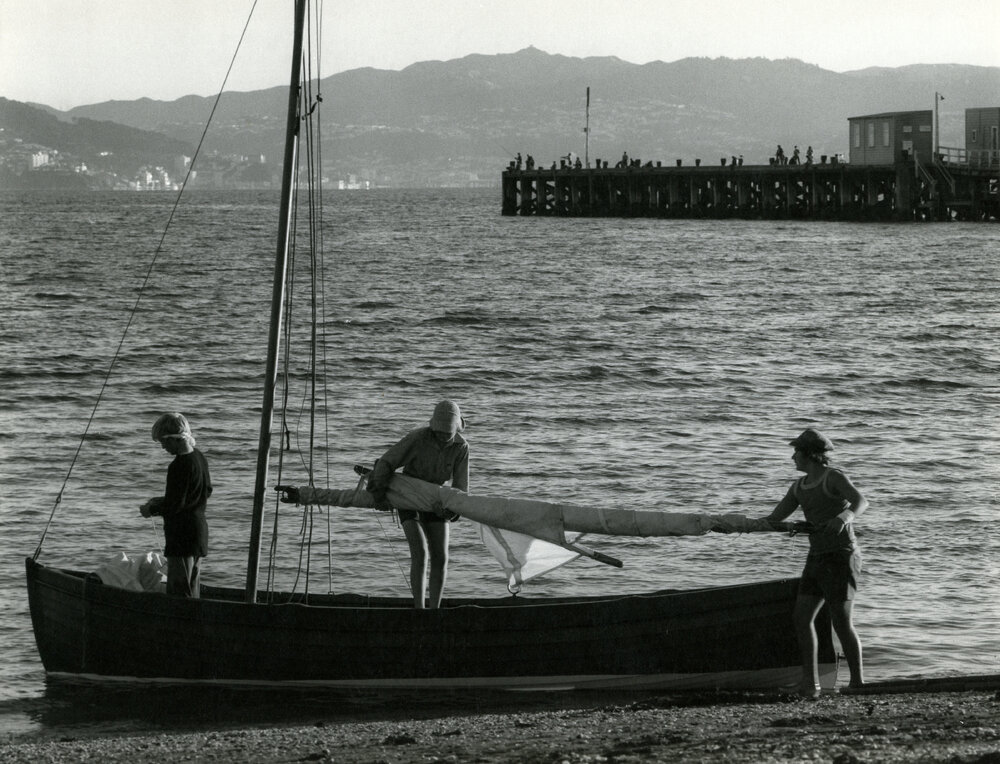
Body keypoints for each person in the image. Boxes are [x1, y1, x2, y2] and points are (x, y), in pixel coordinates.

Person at [766, 427, 868, 698]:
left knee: (841, 622)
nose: (792, 458)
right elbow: (775, 518)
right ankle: (810, 685)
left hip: (842, 556)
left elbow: (860, 501)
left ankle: (858, 683)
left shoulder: (832, 477)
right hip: (817, 558)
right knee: (802, 618)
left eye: (796, 452)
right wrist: (737, 525)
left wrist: (842, 519)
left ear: (810, 454)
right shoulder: (798, 487)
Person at [368, 400, 469, 609]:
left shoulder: (461, 448)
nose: (443, 437)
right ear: (432, 427)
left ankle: (435, 609)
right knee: (420, 551)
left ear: (456, 428)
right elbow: (386, 462)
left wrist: (451, 512)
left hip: (437, 498)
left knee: (441, 557)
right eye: (439, 432)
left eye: (447, 433)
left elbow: (461, 489)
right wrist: (379, 494)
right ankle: (419, 608)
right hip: (409, 495)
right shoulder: (417, 438)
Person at [140, 413, 212, 597]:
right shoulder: (199, 458)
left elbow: (175, 505)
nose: (163, 447)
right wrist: (160, 500)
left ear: (175, 438)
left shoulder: (179, 466)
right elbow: (204, 492)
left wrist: (152, 509)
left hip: (182, 538)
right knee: (192, 588)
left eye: (163, 442)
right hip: (198, 534)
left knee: (179, 592)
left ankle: (180, 625)